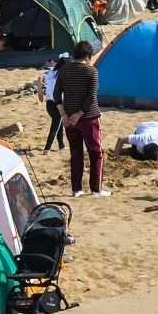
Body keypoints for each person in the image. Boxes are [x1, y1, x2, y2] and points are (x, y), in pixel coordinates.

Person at [56, 39, 106, 197]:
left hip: (69, 119)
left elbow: (56, 94)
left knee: (76, 153)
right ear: (87, 56)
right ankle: (96, 189)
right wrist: (80, 114)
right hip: (88, 118)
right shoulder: (91, 71)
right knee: (95, 153)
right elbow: (91, 96)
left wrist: (64, 114)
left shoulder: (64, 70)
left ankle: (76, 189)